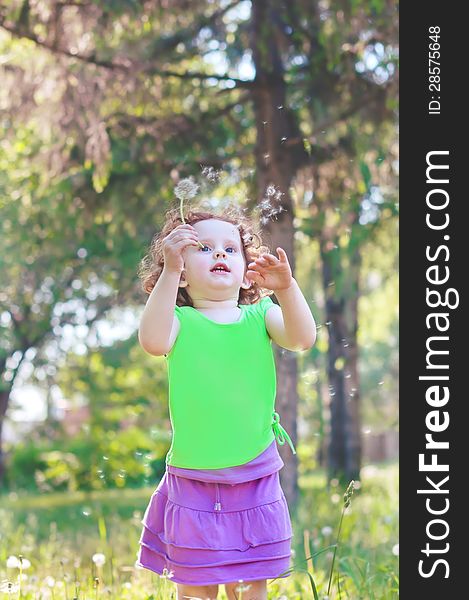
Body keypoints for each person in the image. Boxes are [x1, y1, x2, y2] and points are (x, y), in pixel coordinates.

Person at [136, 204, 316, 600]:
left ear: (246, 267)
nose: (219, 254)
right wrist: (168, 271)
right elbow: (152, 340)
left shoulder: (261, 315)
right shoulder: (181, 322)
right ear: (182, 271)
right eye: (203, 248)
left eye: (230, 249)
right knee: (196, 586)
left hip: (254, 473)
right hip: (194, 477)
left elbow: (303, 338)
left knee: (250, 585)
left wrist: (286, 288)